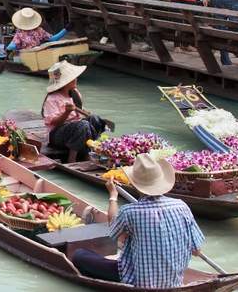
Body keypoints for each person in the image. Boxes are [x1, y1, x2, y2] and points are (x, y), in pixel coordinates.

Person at [71, 153, 205, 287]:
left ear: (135, 184)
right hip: (174, 282)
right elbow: (196, 251)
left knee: (79, 255)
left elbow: (113, 229)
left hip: (137, 281)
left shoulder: (130, 211)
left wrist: (113, 195)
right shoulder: (182, 206)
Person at [41, 61, 109, 161]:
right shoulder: (52, 99)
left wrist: (84, 113)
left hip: (76, 131)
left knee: (95, 119)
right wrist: (66, 112)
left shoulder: (75, 94)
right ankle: (72, 158)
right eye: (72, 78)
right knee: (83, 125)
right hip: (57, 135)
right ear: (65, 82)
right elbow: (54, 122)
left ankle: (89, 148)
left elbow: (80, 113)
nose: (76, 79)